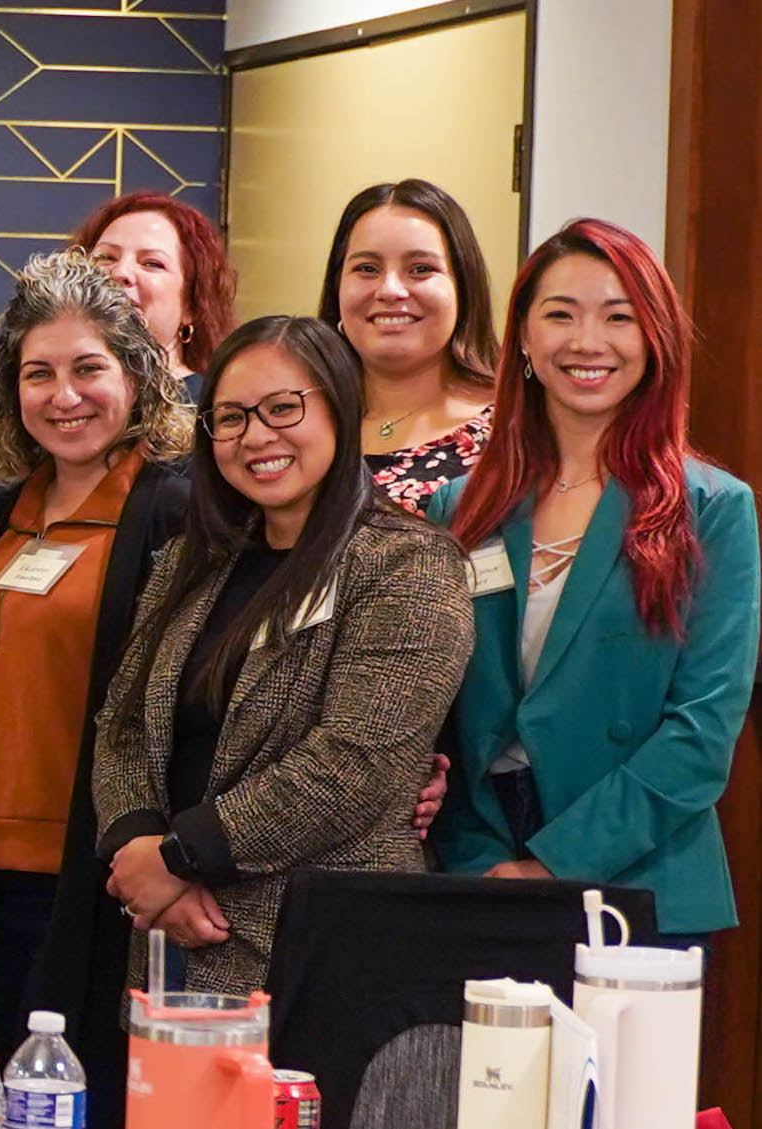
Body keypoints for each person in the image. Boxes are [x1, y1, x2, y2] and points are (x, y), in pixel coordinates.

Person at [90, 315, 471, 994]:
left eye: (283, 407)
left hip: (322, 953)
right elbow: (121, 725)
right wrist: (140, 848)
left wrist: (178, 858)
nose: (257, 436)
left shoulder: (408, 564)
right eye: (231, 417)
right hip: (167, 942)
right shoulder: (194, 560)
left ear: (340, 403)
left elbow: (355, 764)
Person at [434, 218, 754, 947]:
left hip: (639, 876)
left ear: (654, 338)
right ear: (521, 336)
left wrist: (552, 864)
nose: (588, 341)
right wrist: (479, 858)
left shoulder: (713, 510)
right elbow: (441, 715)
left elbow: (702, 734)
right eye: (560, 313)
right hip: (478, 867)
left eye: (619, 317)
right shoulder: (459, 508)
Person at [0, 252, 198, 1058]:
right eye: (39, 373)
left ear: (137, 373)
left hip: (96, 879)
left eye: (88, 368)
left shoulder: (172, 510)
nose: (64, 396)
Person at [320, 179, 501, 514]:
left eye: (421, 269)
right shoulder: (299, 418)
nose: (390, 290)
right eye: (367, 269)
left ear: (464, 286)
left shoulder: (513, 430)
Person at [72, 192, 235, 386]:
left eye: (152, 263)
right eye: (107, 257)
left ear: (191, 305)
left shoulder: (212, 409)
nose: (120, 272)